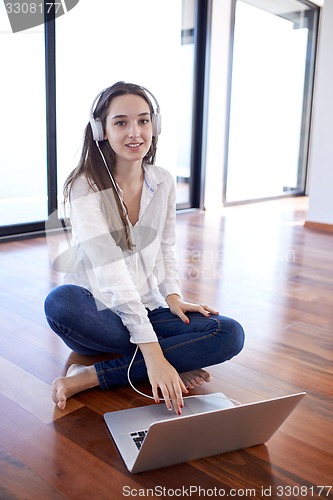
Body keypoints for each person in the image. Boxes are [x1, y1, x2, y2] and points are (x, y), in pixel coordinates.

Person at [44, 81, 244, 416]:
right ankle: (166, 359)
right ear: (101, 130)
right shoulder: (85, 186)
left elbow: (165, 249)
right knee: (60, 303)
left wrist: (174, 298)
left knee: (229, 333)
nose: (135, 132)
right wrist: (155, 352)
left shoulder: (162, 180)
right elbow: (111, 271)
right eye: (121, 122)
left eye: (144, 120)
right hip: (96, 313)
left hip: (148, 306)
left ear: (155, 125)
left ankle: (92, 376)